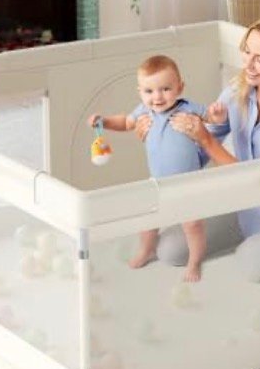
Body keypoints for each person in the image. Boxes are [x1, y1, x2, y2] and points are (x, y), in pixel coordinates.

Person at [141, 13, 260, 283]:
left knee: (250, 263)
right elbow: (199, 152)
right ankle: (251, 238)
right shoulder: (238, 91)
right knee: (170, 249)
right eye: (246, 52)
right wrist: (158, 135)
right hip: (246, 208)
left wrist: (206, 140)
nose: (248, 65)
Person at [88, 54, 226, 282]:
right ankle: (147, 249)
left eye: (165, 89)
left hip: (188, 182)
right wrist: (104, 122)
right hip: (157, 181)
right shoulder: (143, 112)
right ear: (140, 92)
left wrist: (217, 116)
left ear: (180, 87)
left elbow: (209, 118)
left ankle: (194, 261)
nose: (157, 97)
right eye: (149, 91)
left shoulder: (187, 108)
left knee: (192, 225)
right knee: (148, 221)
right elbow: (125, 122)